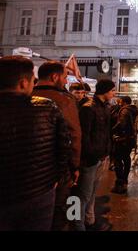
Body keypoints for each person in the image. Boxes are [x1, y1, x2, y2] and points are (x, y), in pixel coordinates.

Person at [0, 56, 71, 231]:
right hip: (39, 193)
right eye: (33, 79)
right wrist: (57, 178)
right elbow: (64, 146)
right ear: (23, 83)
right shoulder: (47, 107)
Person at [32, 61, 82, 231]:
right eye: (65, 77)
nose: (66, 81)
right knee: (61, 208)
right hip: (57, 166)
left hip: (27, 168)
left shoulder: (25, 94)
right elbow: (74, 135)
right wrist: (75, 165)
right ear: (54, 77)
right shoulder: (64, 100)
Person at [73, 79, 115, 231]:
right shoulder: (88, 108)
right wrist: (91, 155)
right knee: (81, 195)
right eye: (112, 90)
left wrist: (106, 152)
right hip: (89, 159)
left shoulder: (105, 107)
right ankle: (76, 225)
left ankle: (88, 221)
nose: (114, 93)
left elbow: (104, 132)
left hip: (100, 157)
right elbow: (84, 136)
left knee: (90, 193)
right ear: (104, 91)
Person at [111, 96, 138, 194]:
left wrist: (111, 130)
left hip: (122, 140)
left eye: (121, 101)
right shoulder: (132, 110)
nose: (119, 103)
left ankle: (120, 182)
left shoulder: (124, 111)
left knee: (118, 160)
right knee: (126, 159)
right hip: (130, 139)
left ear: (124, 102)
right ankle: (125, 180)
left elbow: (121, 124)